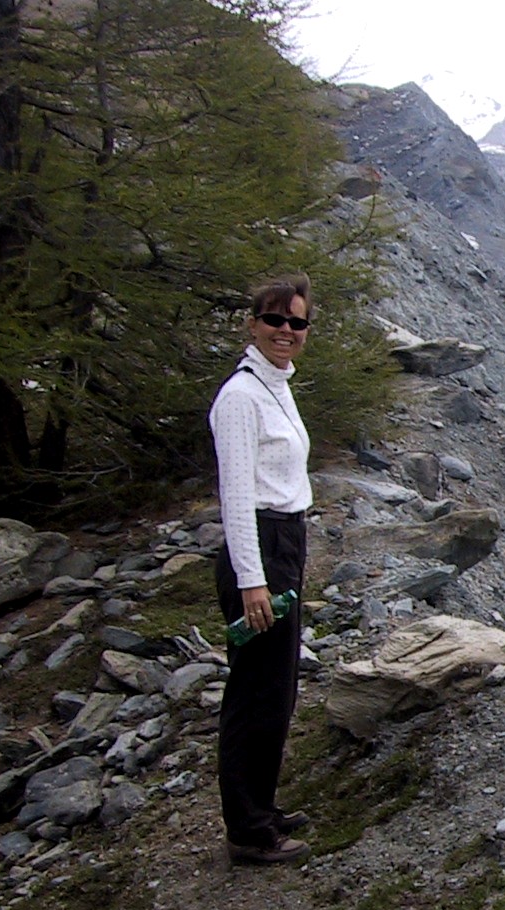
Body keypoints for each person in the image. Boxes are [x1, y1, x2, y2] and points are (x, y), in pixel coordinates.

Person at [209, 273, 315, 865]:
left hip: (283, 542)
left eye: (297, 322)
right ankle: (248, 831)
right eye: (275, 320)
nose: (286, 331)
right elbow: (237, 496)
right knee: (255, 690)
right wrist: (253, 579)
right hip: (260, 547)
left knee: (276, 688)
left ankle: (261, 808)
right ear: (253, 324)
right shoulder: (241, 397)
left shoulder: (277, 385)